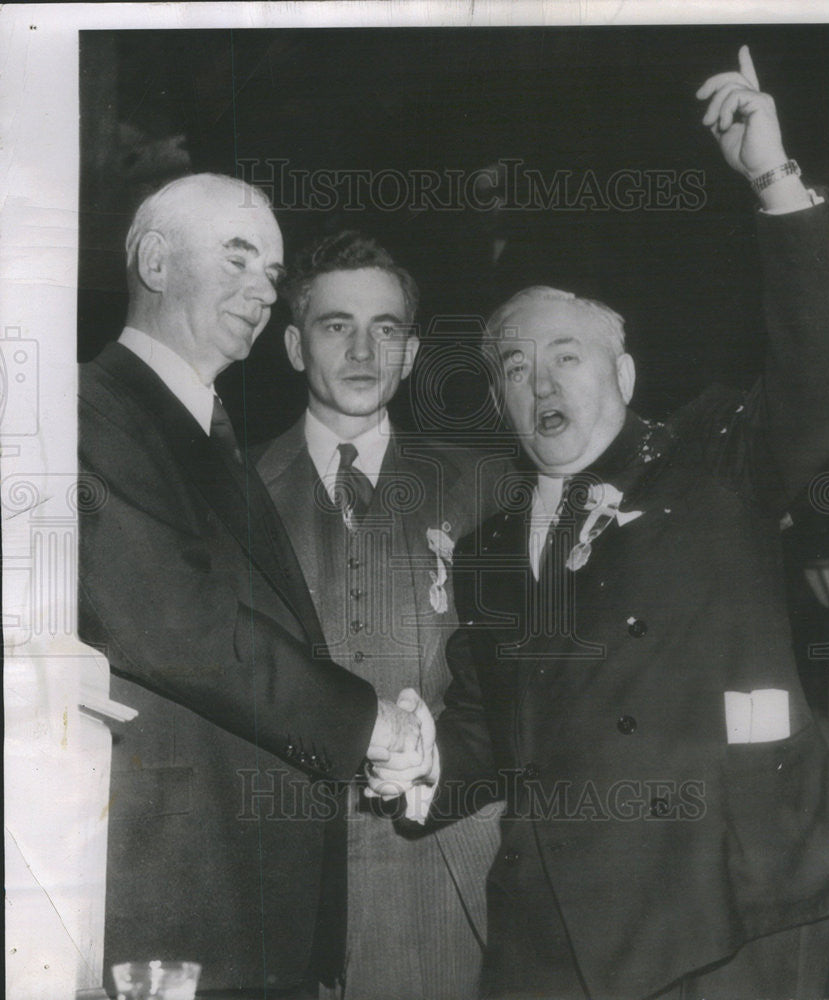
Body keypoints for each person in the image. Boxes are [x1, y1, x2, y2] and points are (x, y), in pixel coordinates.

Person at [369, 47, 829, 999]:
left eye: (568, 353)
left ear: (625, 376)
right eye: (515, 368)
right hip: (552, 926)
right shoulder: (487, 551)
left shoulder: (713, 456)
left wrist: (770, 178)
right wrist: (418, 767)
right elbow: (491, 733)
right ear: (499, 400)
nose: (543, 380)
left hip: (731, 905)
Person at [78, 174, 425, 997]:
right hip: (170, 894)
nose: (261, 291)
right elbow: (178, 627)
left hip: (239, 899)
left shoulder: (199, 424)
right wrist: (372, 724)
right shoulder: (90, 410)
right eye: (236, 259)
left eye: (271, 274)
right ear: (155, 262)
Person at [255, 231, 504, 1000]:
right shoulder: (236, 493)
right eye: (336, 326)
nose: (362, 350)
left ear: (410, 350)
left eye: (385, 329)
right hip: (284, 877)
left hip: (445, 864)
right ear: (295, 347)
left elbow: (519, 693)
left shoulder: (486, 487)